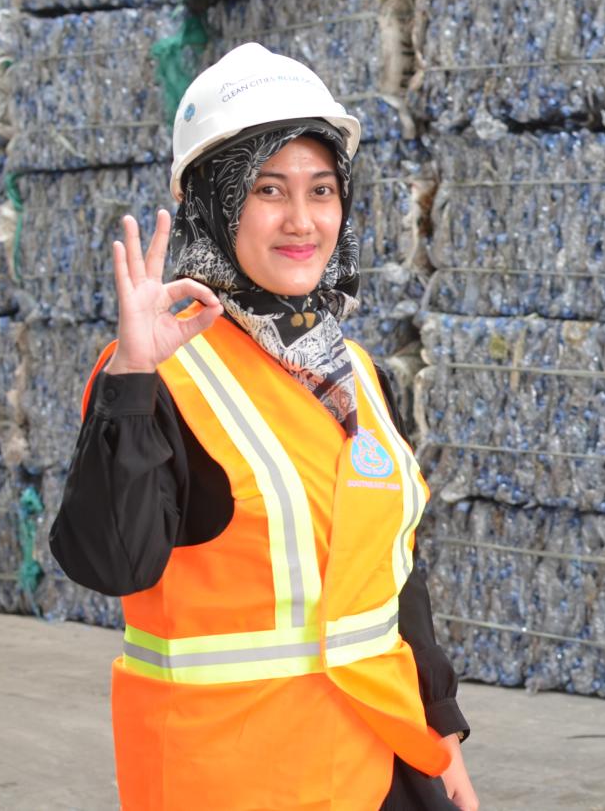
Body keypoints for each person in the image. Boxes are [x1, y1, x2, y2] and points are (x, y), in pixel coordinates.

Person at [50, 43, 479, 811]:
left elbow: (389, 571)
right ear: (216, 202)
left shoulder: (356, 376)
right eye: (268, 190)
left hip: (382, 758)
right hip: (237, 780)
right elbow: (111, 562)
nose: (301, 221)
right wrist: (131, 383)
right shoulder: (163, 376)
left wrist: (439, 730)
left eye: (321, 190)